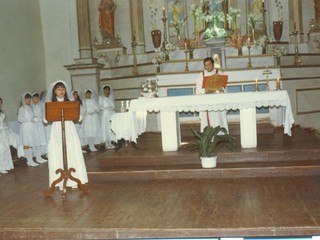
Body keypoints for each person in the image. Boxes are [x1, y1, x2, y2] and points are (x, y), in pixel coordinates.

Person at [45, 80, 88, 190]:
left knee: (71, 149)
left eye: (63, 89)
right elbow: (45, 119)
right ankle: (60, 181)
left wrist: (79, 116)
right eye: (58, 89)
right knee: (58, 150)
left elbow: (78, 116)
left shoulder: (70, 102)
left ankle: (74, 179)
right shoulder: (51, 103)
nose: (61, 91)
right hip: (57, 129)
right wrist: (46, 117)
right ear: (54, 91)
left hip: (68, 128)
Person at [195, 57, 229, 132]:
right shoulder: (202, 75)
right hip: (206, 101)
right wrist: (206, 91)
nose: (208, 67)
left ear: (213, 64)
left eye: (209, 64)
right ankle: (208, 137)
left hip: (217, 101)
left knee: (218, 119)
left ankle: (220, 135)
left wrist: (215, 90)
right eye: (206, 65)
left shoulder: (219, 72)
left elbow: (223, 87)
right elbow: (199, 89)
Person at [17, 93, 42, 167]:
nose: (29, 100)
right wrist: (28, 119)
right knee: (27, 144)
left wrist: (34, 119)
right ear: (24, 99)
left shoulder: (30, 108)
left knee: (31, 143)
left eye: (29, 98)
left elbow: (32, 117)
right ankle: (29, 161)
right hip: (26, 128)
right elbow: (19, 119)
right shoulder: (22, 108)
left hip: (31, 127)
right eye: (27, 98)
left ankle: (32, 160)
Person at [31, 92, 48, 161]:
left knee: (41, 139)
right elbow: (31, 117)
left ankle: (41, 154)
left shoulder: (38, 106)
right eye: (35, 98)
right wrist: (35, 119)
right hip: (34, 126)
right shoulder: (31, 107)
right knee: (37, 140)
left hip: (40, 125)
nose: (37, 100)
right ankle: (36, 155)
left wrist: (41, 118)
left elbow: (41, 114)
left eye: (37, 98)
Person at [99, 84, 116, 149]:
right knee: (105, 127)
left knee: (110, 127)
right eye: (105, 89)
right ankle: (106, 143)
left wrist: (111, 108)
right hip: (105, 115)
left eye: (108, 90)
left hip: (111, 114)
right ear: (103, 90)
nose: (107, 91)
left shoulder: (110, 97)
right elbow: (100, 107)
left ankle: (110, 142)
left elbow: (113, 106)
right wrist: (106, 108)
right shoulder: (101, 97)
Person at [0, 97, 14, 174]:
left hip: (3, 133)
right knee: (1, 150)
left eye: (1, 103)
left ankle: (5, 166)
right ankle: (1, 167)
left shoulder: (2, 113)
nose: (0, 104)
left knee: (5, 149)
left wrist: (4, 127)